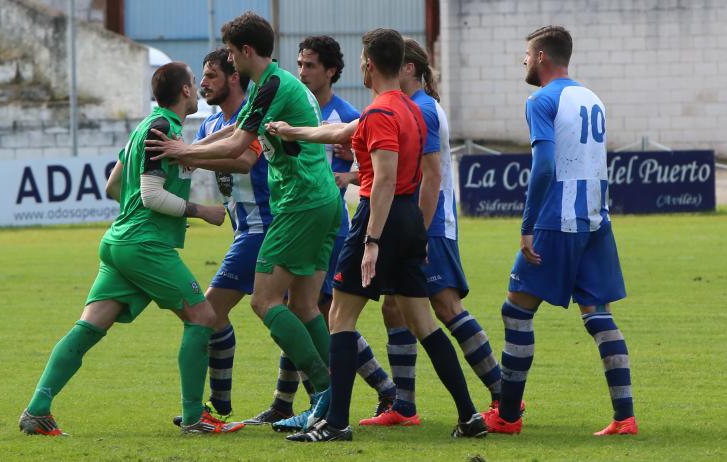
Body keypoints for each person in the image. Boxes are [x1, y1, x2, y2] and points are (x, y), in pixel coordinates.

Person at [268, 28, 487, 442]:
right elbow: (343, 134)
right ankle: (470, 415)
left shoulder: (382, 113)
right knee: (424, 323)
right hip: (407, 219)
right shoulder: (409, 109)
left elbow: (383, 180)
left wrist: (370, 241)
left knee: (340, 317)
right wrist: (292, 130)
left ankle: (335, 424)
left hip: (379, 217)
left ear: (369, 64)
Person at [19, 62, 244, 435]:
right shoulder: (162, 129)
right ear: (186, 92)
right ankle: (193, 419)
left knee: (89, 327)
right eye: (193, 81)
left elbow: (113, 186)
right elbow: (151, 195)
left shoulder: (147, 127)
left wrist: (237, 128)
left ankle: (37, 409)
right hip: (145, 246)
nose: (197, 86)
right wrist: (200, 211)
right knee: (203, 318)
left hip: (120, 241)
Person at [144, 12, 341, 433]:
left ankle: (325, 392)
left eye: (231, 54)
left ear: (246, 51)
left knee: (264, 302)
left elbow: (238, 145)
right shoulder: (273, 84)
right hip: (324, 201)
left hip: (298, 202)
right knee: (305, 306)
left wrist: (183, 154)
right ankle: (331, 406)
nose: (230, 61)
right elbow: (235, 128)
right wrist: (190, 146)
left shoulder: (271, 84)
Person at [485, 26, 637, 436]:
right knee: (598, 313)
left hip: (558, 220)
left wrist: (528, 223)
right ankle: (625, 417)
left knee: (516, 310)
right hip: (596, 219)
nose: (523, 61)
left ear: (540, 57)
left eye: (526, 55)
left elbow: (546, 166)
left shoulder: (541, 100)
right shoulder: (593, 98)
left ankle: (508, 416)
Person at [247, 34, 397, 428]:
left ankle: (371, 389)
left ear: (331, 70)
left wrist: (344, 172)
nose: (302, 71)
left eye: (310, 64)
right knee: (304, 306)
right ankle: (293, 401)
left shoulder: (346, 112)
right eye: (299, 64)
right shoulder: (298, 100)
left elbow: (372, 170)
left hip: (321, 214)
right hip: (308, 208)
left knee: (326, 311)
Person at [360, 37, 508, 427]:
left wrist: (420, 233)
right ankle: (404, 406)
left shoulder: (423, 109)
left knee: (445, 307)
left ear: (409, 69)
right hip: (418, 222)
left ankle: (504, 396)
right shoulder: (414, 107)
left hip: (429, 223)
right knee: (394, 306)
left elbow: (431, 174)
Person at [166, 48, 267, 425]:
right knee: (304, 315)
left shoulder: (251, 117)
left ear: (234, 77)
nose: (203, 84)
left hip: (265, 227)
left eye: (210, 76)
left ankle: (213, 407)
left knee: (206, 313)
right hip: (245, 229)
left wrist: (189, 154)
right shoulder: (210, 126)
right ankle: (227, 405)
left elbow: (244, 160)